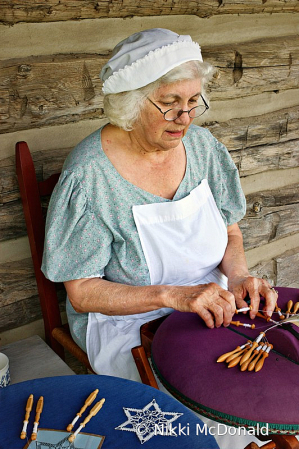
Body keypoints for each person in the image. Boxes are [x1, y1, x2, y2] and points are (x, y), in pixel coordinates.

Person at [41, 28, 277, 382]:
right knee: (206, 397)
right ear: (130, 102)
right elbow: (82, 293)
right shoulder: (90, 175)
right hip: (129, 325)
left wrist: (239, 276)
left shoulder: (202, 147)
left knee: (272, 376)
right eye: (170, 103)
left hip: (212, 304)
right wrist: (174, 296)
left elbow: (230, 231)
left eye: (194, 101)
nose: (185, 117)